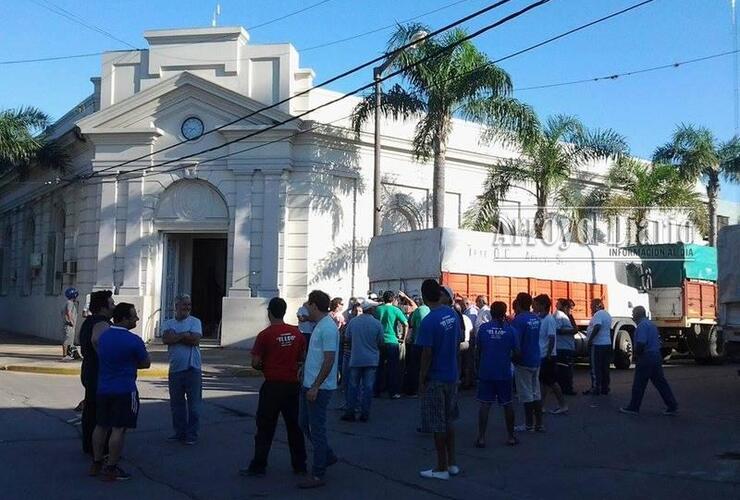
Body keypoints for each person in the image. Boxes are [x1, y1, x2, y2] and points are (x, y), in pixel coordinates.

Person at [244, 297, 307, 476]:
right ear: (284, 311)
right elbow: (302, 357)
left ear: (269, 312)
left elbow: (255, 362)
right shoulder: (296, 334)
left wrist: (267, 364)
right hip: (292, 386)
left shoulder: (265, 335)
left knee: (265, 427)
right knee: (294, 427)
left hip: (272, 386)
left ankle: (259, 465)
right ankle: (300, 465)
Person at [90, 303, 150, 481]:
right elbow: (145, 363)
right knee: (119, 429)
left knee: (101, 425)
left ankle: (96, 461)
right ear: (124, 318)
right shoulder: (134, 340)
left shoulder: (104, 337)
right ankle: (111, 467)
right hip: (125, 389)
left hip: (103, 388)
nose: (137, 320)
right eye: (133, 316)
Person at [417, 279, 462, 481]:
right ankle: (452, 463)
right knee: (449, 420)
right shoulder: (451, 314)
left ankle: (441, 467)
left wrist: (421, 379)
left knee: (437, 424)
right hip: (452, 374)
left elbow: (427, 353)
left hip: (435, 377)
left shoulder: (429, 321)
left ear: (424, 296)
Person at [298, 290, 339, 489]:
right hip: (310, 384)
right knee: (304, 422)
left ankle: (318, 473)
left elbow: (329, 359)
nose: (306, 307)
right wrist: (304, 370)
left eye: (308, 304)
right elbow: (317, 356)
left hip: (319, 388)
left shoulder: (328, 328)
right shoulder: (320, 326)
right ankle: (327, 456)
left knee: (316, 429)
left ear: (315, 305)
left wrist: (315, 386)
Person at [620, 306, 678, 416]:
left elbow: (641, 342)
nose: (632, 315)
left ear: (638, 314)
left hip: (646, 357)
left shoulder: (641, 326)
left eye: (633, 313)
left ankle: (634, 407)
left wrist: (636, 354)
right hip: (656, 356)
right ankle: (672, 405)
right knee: (661, 383)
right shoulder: (651, 325)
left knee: (639, 384)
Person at [162, 294, 203, 445]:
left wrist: (177, 336)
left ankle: (192, 434)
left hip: (193, 368)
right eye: (184, 304)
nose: (187, 307)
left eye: (189, 305)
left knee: (194, 406)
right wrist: (185, 335)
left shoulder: (195, 322)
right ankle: (179, 433)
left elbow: (195, 340)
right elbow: (166, 339)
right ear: (176, 306)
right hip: (175, 369)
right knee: (176, 405)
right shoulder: (168, 323)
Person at [475, 301, 517, 447]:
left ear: (491, 312)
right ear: (504, 312)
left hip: (486, 371)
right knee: (507, 404)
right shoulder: (510, 330)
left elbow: (479, 349)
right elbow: (516, 351)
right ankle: (511, 437)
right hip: (504, 371)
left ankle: (481, 438)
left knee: (485, 404)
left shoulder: (483, 329)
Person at [79, 290, 115, 455]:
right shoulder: (102, 322)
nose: (114, 306)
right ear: (103, 307)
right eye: (111, 303)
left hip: (89, 369)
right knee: (100, 412)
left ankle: (89, 445)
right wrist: (107, 358)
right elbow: (96, 340)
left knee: (91, 409)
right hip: (98, 371)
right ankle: (99, 448)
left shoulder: (89, 321)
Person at [342, 299, 384, 422]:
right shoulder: (377, 324)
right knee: (368, 387)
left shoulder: (353, 322)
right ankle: (365, 413)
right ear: (370, 309)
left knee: (353, 386)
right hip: (371, 359)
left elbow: (347, 338)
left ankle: (350, 412)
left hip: (356, 358)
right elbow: (381, 341)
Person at [510, 292, 544, 432]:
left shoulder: (519, 320)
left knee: (526, 394)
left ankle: (529, 424)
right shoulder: (536, 318)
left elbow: (516, 342)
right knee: (536, 392)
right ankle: (539, 424)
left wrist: (513, 357)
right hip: (536, 358)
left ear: (518, 303)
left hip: (524, 360)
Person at [534, 295, 568, 415]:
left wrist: (548, 354)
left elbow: (552, 338)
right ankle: (541, 405)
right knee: (544, 381)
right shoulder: (539, 318)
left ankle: (563, 405)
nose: (534, 306)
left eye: (536, 304)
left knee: (552, 382)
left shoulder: (549, 320)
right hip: (541, 354)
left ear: (543, 305)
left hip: (548, 355)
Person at [373, 291, 408, 399]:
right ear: (393, 299)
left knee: (379, 367)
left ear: (383, 299)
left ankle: (376, 391)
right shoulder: (395, 310)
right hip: (392, 341)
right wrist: (403, 338)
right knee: (393, 368)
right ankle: (393, 392)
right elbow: (405, 324)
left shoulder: (377, 310)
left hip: (380, 341)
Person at [584, 299, 613, 396]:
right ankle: (605, 387)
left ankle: (596, 388)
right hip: (607, 344)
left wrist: (591, 339)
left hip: (598, 345)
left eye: (592, 305)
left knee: (596, 367)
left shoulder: (598, 314)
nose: (590, 307)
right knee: (605, 367)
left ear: (597, 305)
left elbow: (597, 326)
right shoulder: (607, 314)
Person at [404, 295, 431, 396]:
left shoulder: (417, 311)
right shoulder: (430, 309)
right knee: (427, 366)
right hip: (428, 343)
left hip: (417, 342)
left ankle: (413, 390)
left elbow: (411, 324)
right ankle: (425, 388)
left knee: (414, 367)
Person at [554, 299, 577, 396]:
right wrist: (571, 331)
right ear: (565, 307)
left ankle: (567, 387)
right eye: (570, 309)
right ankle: (565, 388)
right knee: (564, 369)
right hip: (563, 346)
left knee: (568, 368)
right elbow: (557, 330)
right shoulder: (559, 315)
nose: (571, 311)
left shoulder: (568, 316)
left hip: (568, 346)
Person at [61, 287, 80, 361]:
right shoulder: (70, 303)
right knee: (67, 340)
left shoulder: (69, 302)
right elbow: (68, 312)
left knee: (70, 340)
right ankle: (65, 355)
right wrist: (71, 321)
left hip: (69, 324)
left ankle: (71, 354)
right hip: (69, 324)